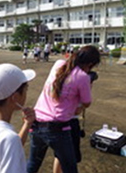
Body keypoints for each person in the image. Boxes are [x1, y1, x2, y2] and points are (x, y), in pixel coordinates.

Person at [27, 45, 101, 173]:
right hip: (58, 129)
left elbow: (64, 81)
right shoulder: (83, 77)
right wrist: (89, 82)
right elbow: (86, 102)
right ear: (90, 64)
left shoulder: (58, 64)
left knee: (33, 164)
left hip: (37, 122)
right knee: (70, 168)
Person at [0, 63, 36, 173]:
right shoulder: (8, 138)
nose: (26, 93)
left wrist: (27, 125)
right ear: (15, 97)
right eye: (25, 89)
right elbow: (9, 144)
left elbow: (10, 148)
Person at [53, 70, 99, 173]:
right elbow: (77, 110)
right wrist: (84, 105)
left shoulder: (68, 86)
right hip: (70, 123)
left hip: (59, 121)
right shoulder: (79, 93)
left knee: (59, 154)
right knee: (70, 156)